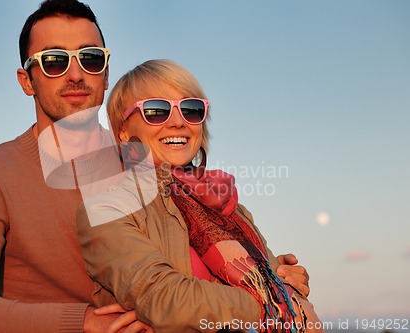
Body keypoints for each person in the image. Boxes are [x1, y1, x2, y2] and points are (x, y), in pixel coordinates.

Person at [0, 1, 310, 332]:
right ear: (26, 80)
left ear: (106, 73)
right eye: (54, 61)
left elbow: (197, 262)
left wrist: (273, 276)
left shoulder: (152, 160)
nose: (75, 74)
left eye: (90, 58)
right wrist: (82, 322)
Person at [77, 59, 323, 333]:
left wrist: (290, 282)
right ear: (123, 131)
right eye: (156, 111)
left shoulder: (227, 206)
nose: (177, 123)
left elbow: (287, 290)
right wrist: (274, 303)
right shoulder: (106, 208)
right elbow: (165, 298)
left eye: (190, 110)